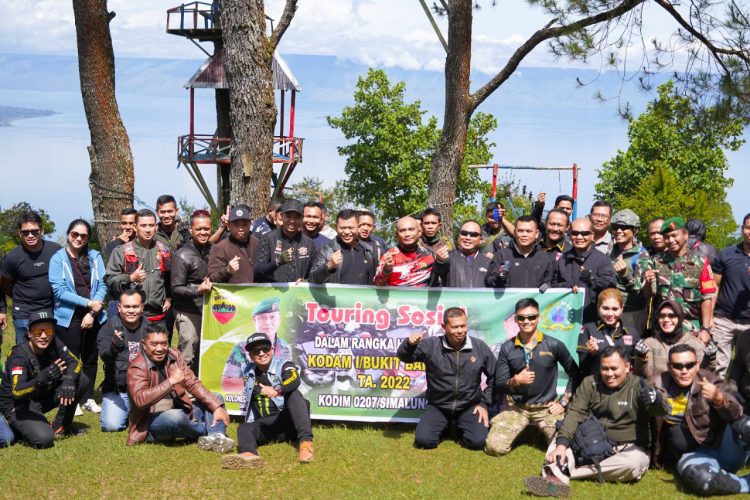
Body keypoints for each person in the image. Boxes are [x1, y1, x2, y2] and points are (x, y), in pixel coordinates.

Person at [524, 347, 662, 497]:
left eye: (614, 368)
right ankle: (557, 475)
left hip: (625, 449)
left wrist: (657, 401)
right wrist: (562, 445)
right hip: (589, 441)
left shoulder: (640, 386)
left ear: (627, 367)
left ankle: (561, 473)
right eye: (604, 368)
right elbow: (574, 413)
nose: (609, 373)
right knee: (558, 447)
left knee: (633, 464)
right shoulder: (590, 383)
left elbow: (663, 410)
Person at [485, 298, 579, 456]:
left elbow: (575, 374)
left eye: (531, 317)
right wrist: (515, 381)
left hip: (546, 409)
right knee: (494, 448)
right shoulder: (507, 348)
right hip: (516, 408)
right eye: (521, 318)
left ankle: (539, 432)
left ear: (538, 318)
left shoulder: (554, 345)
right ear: (516, 319)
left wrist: (563, 403)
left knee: (567, 446)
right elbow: (499, 384)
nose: (526, 321)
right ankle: (525, 429)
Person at [655, 345, 750, 495]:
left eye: (689, 365)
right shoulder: (658, 384)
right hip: (695, 457)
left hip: (724, 448)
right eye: (678, 366)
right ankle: (743, 484)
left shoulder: (711, 380)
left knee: (746, 425)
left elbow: (737, 412)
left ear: (698, 364)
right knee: (701, 478)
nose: (684, 370)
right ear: (669, 366)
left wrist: (719, 399)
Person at [396, 307, 495, 450]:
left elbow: (495, 376)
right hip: (438, 406)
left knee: (478, 442)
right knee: (424, 441)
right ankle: (447, 426)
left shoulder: (479, 347)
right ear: (444, 327)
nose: (460, 331)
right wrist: (409, 345)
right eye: (455, 327)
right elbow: (405, 357)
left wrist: (484, 403)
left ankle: (456, 427)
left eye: (463, 326)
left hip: (469, 406)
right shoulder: (431, 345)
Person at [126, 322, 233, 451]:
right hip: (150, 422)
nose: (160, 349)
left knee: (216, 398)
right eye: (154, 344)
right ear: (144, 344)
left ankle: (216, 436)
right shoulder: (137, 367)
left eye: (164, 343)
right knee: (175, 418)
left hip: (181, 410)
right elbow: (140, 400)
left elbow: (192, 382)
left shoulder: (174, 356)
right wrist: (171, 382)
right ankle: (208, 431)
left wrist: (216, 407)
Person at [221, 333, 314, 468]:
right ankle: (249, 455)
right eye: (256, 351)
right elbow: (238, 383)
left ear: (272, 349)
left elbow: (294, 379)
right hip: (270, 425)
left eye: (265, 348)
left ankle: (306, 443)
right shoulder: (247, 371)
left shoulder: (285, 365)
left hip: (290, 420)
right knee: (244, 428)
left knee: (295, 395)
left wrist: (277, 389)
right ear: (251, 355)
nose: (261, 353)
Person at [0, 311, 89, 448]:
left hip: (39, 396)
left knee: (81, 380)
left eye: (48, 331)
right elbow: (17, 392)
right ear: (29, 333)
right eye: (38, 332)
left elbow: (75, 362)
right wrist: (42, 378)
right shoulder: (19, 355)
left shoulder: (54, 342)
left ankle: (61, 426)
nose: (43, 336)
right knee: (45, 439)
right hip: (17, 405)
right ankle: (17, 426)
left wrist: (69, 380)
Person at [49, 219, 108, 415]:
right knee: (71, 359)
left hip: (94, 315)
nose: (78, 238)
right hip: (69, 315)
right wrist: (88, 303)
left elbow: (103, 285)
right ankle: (70, 398)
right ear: (68, 234)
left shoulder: (95, 256)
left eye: (83, 235)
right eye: (75, 234)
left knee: (91, 358)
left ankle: (88, 398)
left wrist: (92, 312)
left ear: (88, 238)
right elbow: (59, 291)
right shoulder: (58, 259)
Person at [633, 216, 716, 339]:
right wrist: (648, 283)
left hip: (691, 330)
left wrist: (705, 329)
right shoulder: (655, 262)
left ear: (685, 235)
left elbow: (707, 298)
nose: (671, 240)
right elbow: (648, 295)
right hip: (663, 329)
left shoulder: (701, 263)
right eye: (667, 237)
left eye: (674, 235)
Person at [0, 211, 61, 344]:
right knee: (24, 352)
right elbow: (4, 286)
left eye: (34, 231)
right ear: (19, 233)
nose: (30, 235)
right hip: (24, 313)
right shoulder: (12, 258)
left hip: (50, 310)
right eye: (25, 232)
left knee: (49, 352)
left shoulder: (55, 250)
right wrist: (19, 297)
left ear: (42, 231)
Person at [105, 208, 172, 323]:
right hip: (131, 317)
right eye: (143, 225)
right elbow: (110, 281)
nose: (148, 230)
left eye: (151, 225)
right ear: (135, 227)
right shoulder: (121, 251)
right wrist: (130, 278)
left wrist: (169, 298)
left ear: (156, 227)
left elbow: (169, 278)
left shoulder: (164, 250)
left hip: (158, 316)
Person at [97, 289, 149, 432]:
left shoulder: (150, 329)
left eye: (135, 306)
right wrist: (113, 347)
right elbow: (104, 356)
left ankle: (135, 410)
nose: (131, 310)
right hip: (118, 389)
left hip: (145, 388)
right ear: (119, 307)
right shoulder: (108, 328)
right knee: (111, 426)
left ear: (142, 307)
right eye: (127, 307)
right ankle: (128, 411)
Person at [222, 297, 292, 397]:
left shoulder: (285, 347)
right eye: (262, 318)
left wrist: (276, 389)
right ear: (254, 320)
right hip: (253, 398)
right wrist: (258, 386)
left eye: (272, 317)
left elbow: (288, 377)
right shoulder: (242, 347)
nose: (268, 322)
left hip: (278, 398)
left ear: (279, 319)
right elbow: (227, 383)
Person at [552, 216, 617, 322]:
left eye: (584, 233)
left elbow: (611, 286)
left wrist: (591, 279)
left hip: (592, 322)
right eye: (575, 233)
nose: (579, 237)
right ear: (570, 235)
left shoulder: (602, 260)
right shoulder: (563, 259)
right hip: (565, 320)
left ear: (592, 235)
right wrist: (568, 286)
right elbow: (554, 285)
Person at [171, 209, 213, 371]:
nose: (203, 232)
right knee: (187, 355)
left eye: (206, 229)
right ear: (191, 229)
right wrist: (197, 291)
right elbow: (176, 288)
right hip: (188, 311)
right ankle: (181, 386)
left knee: (207, 354)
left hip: (210, 311)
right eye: (199, 229)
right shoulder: (181, 255)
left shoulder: (214, 250)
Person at [710, 213, 750, 380]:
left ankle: (740, 395)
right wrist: (710, 317)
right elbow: (714, 285)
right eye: (747, 227)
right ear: (742, 229)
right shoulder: (727, 254)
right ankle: (715, 395)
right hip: (724, 319)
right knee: (718, 367)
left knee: (746, 370)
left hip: (748, 323)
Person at [633, 300, 715, 379]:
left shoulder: (695, 344)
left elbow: (703, 376)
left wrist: (709, 359)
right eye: (662, 316)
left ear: (680, 318)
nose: (666, 320)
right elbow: (645, 377)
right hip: (657, 387)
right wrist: (641, 359)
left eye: (671, 316)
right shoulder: (649, 343)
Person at [577, 288, 640, 378]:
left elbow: (636, 367)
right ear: (598, 307)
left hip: (623, 384)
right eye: (605, 308)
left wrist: (643, 358)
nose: (610, 314)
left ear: (621, 309)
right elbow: (581, 368)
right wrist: (591, 354)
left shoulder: (631, 332)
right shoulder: (588, 329)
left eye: (615, 309)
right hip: (596, 383)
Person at [255, 199, 318, 283]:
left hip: (299, 290)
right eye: (288, 216)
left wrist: (307, 281)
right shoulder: (268, 238)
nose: (292, 221)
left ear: (302, 218)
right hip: (273, 290)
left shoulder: (309, 243)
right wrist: (277, 262)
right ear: (281, 216)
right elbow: (257, 270)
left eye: (297, 217)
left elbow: (315, 273)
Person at [310, 209, 377, 285]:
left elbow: (375, 279)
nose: (347, 232)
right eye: (342, 228)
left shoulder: (368, 250)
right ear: (336, 227)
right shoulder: (328, 249)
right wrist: (328, 266)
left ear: (358, 227)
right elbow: (313, 278)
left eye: (351, 228)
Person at [485, 215, 554, 289]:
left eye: (528, 231)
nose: (524, 234)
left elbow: (550, 281)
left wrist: (548, 285)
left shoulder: (544, 257)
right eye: (520, 231)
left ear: (536, 234)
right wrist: (498, 279)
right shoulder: (502, 255)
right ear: (515, 232)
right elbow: (488, 281)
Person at [608, 209, 648, 331]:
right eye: (615, 227)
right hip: (609, 311)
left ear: (635, 230)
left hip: (631, 314)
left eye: (624, 227)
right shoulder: (610, 251)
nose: (619, 231)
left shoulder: (641, 255)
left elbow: (640, 290)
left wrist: (624, 274)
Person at [374, 216, 440, 287]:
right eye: (402, 231)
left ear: (419, 232)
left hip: (423, 294)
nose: (407, 234)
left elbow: (438, 281)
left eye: (411, 229)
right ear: (397, 235)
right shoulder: (389, 256)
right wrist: (387, 269)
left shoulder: (429, 255)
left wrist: (442, 261)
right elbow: (378, 284)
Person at [431, 220, 493, 288]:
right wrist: (439, 261)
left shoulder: (488, 262)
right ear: (459, 236)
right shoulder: (447, 258)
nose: (468, 237)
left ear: (481, 240)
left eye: (473, 235)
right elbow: (435, 276)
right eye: (464, 233)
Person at [207, 205, 259, 284]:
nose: (240, 229)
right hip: (233, 292)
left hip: (258, 291)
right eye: (236, 225)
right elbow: (213, 277)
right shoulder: (220, 248)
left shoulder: (257, 243)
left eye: (244, 224)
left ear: (250, 224)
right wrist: (227, 271)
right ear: (228, 226)